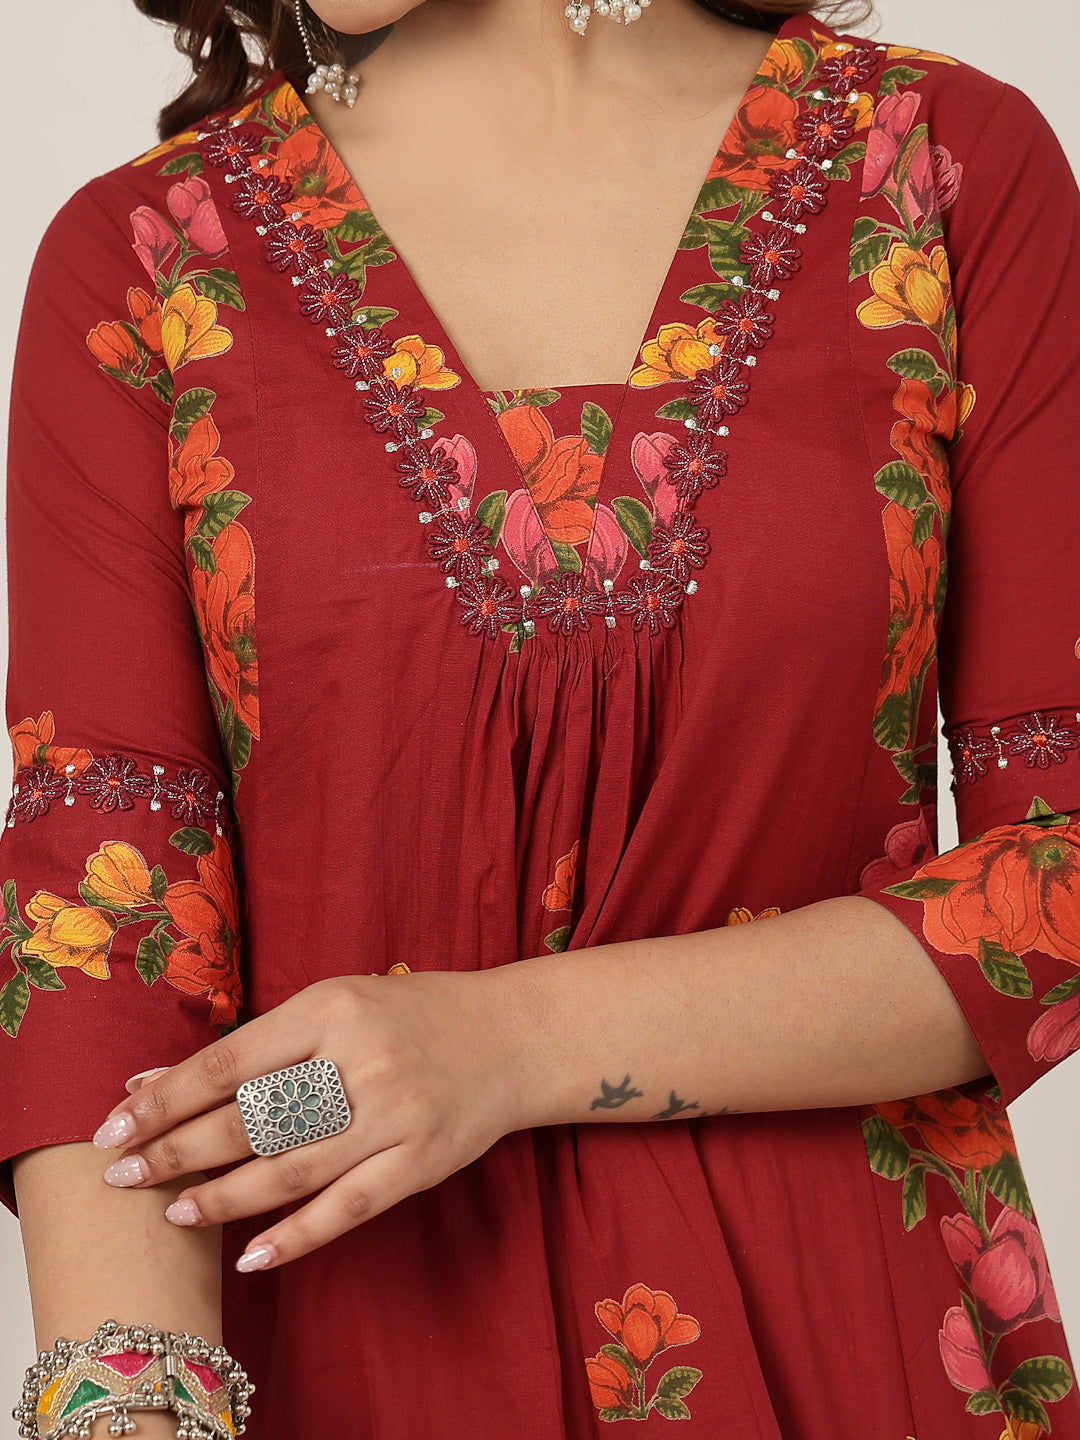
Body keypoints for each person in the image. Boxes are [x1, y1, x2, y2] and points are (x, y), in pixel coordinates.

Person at [3, 0, 1079, 1434]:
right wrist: (130, 1409)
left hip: (841, 1341)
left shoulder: (940, 169)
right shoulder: (150, 256)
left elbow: (1055, 873)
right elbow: (99, 926)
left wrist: (500, 1046)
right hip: (341, 1358)